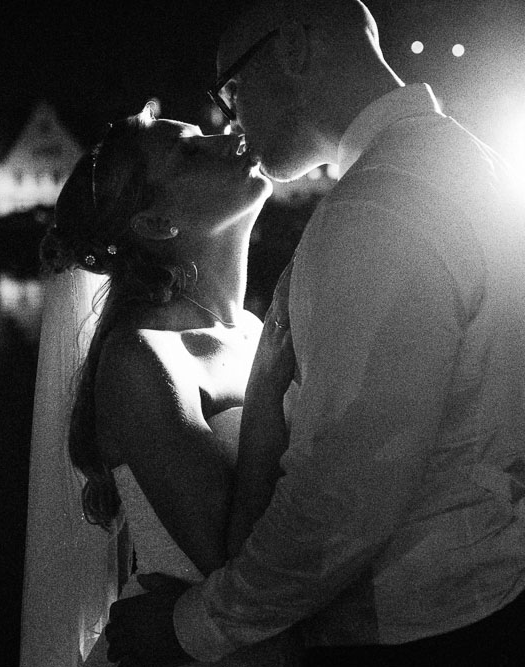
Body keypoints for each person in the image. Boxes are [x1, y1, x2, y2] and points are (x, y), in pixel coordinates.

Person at [104, 1, 525, 666]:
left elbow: (341, 500)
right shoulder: (485, 167)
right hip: (486, 598)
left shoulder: (375, 210)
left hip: (409, 630)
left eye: (233, 89)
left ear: (295, 48)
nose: (231, 120)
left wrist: (186, 628)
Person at [19, 99, 299, 667]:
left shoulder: (250, 330)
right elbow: (233, 564)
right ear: (155, 223)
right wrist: (269, 387)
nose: (231, 136)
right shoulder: (142, 358)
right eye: (192, 150)